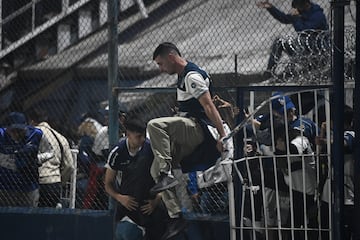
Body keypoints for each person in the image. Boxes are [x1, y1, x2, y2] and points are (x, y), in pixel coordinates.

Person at [147, 42, 226, 240]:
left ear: (171, 57)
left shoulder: (191, 76)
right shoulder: (184, 76)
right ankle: (176, 217)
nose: (161, 69)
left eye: (161, 63)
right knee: (154, 170)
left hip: (197, 129)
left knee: (154, 125)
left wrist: (223, 135)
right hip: (188, 126)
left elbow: (208, 107)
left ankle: (167, 173)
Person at [104, 116, 167, 240]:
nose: (142, 139)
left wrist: (156, 200)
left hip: (148, 207)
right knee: (126, 233)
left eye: (144, 135)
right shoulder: (118, 152)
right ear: (128, 134)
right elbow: (108, 183)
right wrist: (120, 198)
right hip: (127, 206)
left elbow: (166, 178)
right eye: (138, 136)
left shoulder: (151, 149)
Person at [256, 0, 328, 78]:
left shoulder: (318, 15)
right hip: (302, 50)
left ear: (306, 4)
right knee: (280, 41)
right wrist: (271, 8)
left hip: (316, 53)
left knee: (301, 41)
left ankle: (291, 70)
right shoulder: (301, 11)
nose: (297, 9)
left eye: (299, 7)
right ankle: (269, 72)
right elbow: (284, 18)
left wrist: (296, 18)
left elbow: (304, 31)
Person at [27, 108, 74, 208]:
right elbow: (70, 166)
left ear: (31, 121)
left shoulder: (30, 135)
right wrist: (60, 180)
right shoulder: (60, 137)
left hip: (33, 183)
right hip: (53, 182)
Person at [0, 112, 43, 207]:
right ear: (7, 128)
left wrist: (36, 159)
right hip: (5, 185)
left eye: (20, 130)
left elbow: (50, 152)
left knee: (28, 216)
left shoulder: (36, 134)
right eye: (13, 130)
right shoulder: (1, 135)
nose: (17, 133)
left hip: (28, 185)